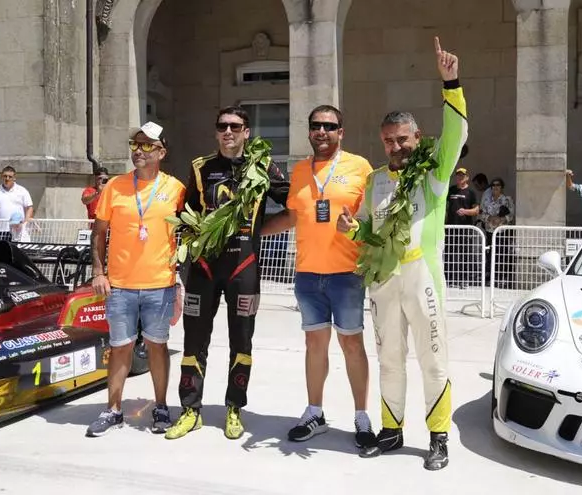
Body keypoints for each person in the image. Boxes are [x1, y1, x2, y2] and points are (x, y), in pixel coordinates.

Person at [336, 36, 466, 470]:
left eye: (403, 138)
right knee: (389, 359)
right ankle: (391, 431)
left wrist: (451, 85)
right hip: (383, 280)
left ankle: (438, 437)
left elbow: (457, 134)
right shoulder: (374, 180)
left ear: (418, 137)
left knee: (433, 360)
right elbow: (367, 229)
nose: (397, 146)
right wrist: (352, 228)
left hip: (421, 276)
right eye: (389, 141)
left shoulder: (435, 172)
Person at [165, 106, 290, 441]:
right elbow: (186, 214)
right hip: (204, 268)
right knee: (194, 340)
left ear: (247, 131)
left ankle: (235, 408)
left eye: (235, 126)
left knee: (242, 340)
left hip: (243, 267)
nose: (228, 132)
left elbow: (294, 207)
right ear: (216, 131)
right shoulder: (200, 167)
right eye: (222, 126)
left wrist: (259, 231)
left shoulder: (262, 166)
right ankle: (190, 410)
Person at [261, 105, 377, 448]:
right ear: (309, 131)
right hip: (308, 274)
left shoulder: (360, 167)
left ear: (341, 132)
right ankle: (315, 413)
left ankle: (362, 416)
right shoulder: (299, 170)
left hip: (347, 274)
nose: (322, 131)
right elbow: (292, 217)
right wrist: (252, 234)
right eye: (316, 126)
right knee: (314, 345)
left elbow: (374, 218)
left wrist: (355, 227)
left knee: (352, 344)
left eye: (329, 126)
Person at [86, 121, 186, 437]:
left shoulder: (176, 189)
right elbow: (99, 233)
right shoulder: (115, 186)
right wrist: (98, 272)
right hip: (120, 285)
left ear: (161, 152)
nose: (138, 151)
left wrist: (181, 276)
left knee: (158, 347)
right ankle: (113, 410)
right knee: (120, 347)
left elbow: (188, 232)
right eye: (135, 144)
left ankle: (160, 407)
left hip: (160, 284)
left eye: (146, 145)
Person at [445, 166, 479, 288]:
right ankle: (450, 279)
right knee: (450, 253)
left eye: (462, 176)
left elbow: (476, 210)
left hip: (465, 229)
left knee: (465, 254)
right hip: (451, 228)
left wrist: (465, 211)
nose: (460, 177)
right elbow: (444, 206)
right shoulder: (451, 190)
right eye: (458, 175)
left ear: (467, 178)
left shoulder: (471, 192)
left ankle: (464, 280)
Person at [0, 166, 34, 242]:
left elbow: (30, 207)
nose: (7, 179)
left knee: (18, 249)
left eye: (10, 177)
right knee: (1, 250)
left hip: (18, 229)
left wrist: (25, 223)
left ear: (14, 178)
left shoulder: (22, 191)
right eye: (5, 176)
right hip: (0, 230)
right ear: (1, 176)